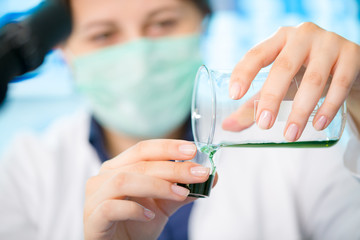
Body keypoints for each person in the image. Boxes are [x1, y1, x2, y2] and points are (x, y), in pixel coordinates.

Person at [0, 0, 359, 239]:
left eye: (163, 23)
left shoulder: (294, 141)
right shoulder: (26, 173)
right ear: (63, 52)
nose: (139, 55)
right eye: (103, 35)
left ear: (203, 22)